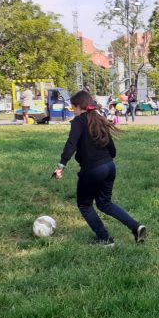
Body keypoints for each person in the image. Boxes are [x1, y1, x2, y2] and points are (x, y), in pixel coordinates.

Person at [53, 91, 146, 247]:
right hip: (110, 167)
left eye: (73, 107)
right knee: (105, 203)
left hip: (92, 170)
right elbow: (113, 151)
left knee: (84, 205)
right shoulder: (99, 119)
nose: (73, 111)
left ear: (78, 107)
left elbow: (71, 144)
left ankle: (105, 240)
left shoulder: (78, 121)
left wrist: (61, 165)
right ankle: (136, 227)